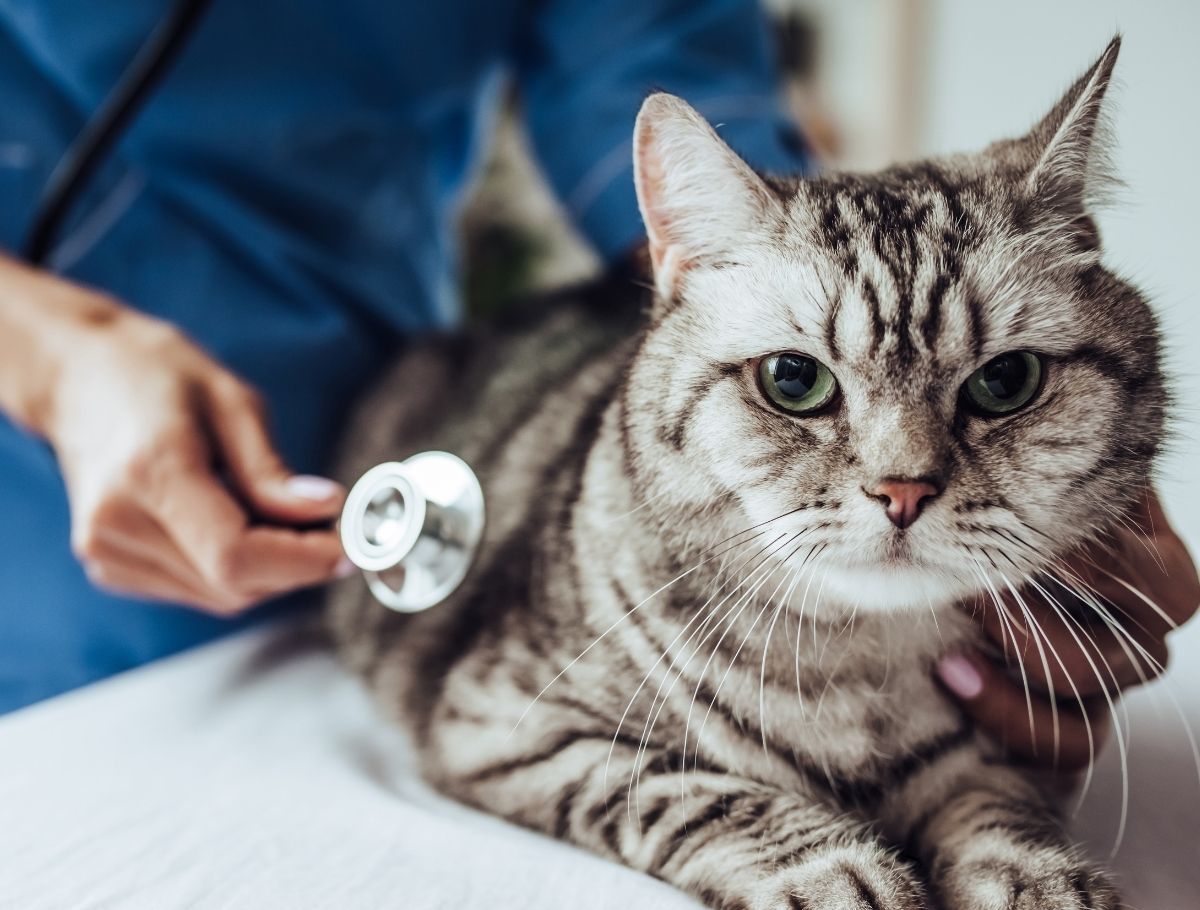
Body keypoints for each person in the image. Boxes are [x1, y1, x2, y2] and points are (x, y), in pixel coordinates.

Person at [0, 3, 1195, 771]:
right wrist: (51, 348)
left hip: (387, 457)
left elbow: (664, 76)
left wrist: (819, 306)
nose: (901, 473)